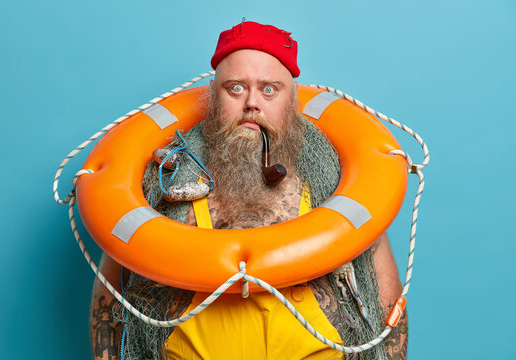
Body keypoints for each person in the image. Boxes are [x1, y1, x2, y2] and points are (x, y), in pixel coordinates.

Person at [90, 21, 408, 360]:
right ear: (214, 96)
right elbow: (110, 297)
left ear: (292, 101)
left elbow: (386, 299)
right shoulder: (165, 177)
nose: (252, 103)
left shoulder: (335, 179)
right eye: (236, 88)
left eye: (269, 89)